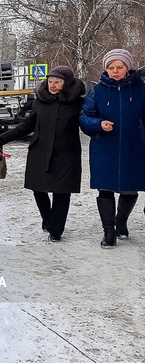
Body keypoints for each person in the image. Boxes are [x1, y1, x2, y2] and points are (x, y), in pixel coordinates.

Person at [0, 66, 86, 242]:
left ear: (66, 83)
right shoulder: (40, 101)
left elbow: (87, 123)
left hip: (66, 153)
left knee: (62, 191)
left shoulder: (78, 103)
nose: (52, 85)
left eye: (57, 82)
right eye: (50, 81)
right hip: (40, 151)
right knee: (38, 188)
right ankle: (48, 218)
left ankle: (56, 230)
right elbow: (27, 126)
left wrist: (101, 130)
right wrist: (3, 138)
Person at [79, 48, 145, 248]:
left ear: (127, 67)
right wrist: (99, 124)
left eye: (119, 67)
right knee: (105, 189)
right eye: (111, 67)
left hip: (134, 146)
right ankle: (108, 232)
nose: (115, 71)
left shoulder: (141, 89)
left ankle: (121, 223)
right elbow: (84, 116)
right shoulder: (97, 90)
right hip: (105, 147)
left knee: (130, 189)